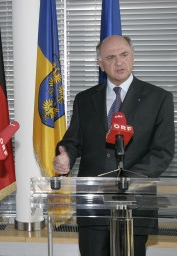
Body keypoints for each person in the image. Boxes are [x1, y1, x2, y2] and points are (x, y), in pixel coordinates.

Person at [53, 35, 174, 256]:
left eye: (124, 55)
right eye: (111, 57)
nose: (119, 62)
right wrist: (66, 157)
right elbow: (73, 141)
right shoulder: (84, 99)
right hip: (93, 205)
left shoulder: (159, 98)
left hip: (135, 204)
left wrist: (125, 181)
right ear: (101, 64)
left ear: (133, 57)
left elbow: (162, 151)